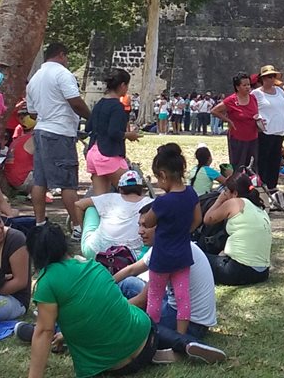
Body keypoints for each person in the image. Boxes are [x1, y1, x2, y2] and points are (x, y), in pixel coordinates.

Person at [26, 223, 224, 378]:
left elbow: (44, 331)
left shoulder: (47, 282)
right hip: (147, 341)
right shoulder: (94, 267)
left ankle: (29, 331)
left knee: (50, 328)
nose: (141, 231)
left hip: (116, 365)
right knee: (122, 306)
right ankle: (181, 343)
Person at [114, 206, 219, 340]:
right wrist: (106, 283)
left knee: (135, 318)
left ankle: (181, 340)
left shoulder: (168, 253)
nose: (140, 231)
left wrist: (111, 310)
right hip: (185, 313)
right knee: (127, 283)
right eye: (139, 225)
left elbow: (142, 300)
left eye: (146, 226)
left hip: (192, 324)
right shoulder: (170, 243)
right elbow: (132, 269)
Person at [25, 43, 91, 236]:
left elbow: (32, 111)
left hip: (41, 131)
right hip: (60, 132)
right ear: (61, 55)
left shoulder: (34, 79)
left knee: (40, 180)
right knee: (68, 181)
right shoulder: (62, 74)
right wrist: (91, 117)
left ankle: (39, 223)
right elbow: (75, 101)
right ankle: (78, 227)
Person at [141, 144, 201, 335]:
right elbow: (197, 219)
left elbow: (149, 222)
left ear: (164, 175)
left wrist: (146, 216)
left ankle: (153, 334)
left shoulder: (163, 201)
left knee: (155, 298)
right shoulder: (191, 193)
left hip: (161, 259)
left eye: (158, 179)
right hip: (183, 256)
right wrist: (184, 231)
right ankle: (181, 336)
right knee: (183, 297)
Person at [202, 172, 273, 285]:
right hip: (262, 272)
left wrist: (219, 200)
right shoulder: (260, 209)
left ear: (234, 193)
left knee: (197, 257)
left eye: (226, 191)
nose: (224, 194)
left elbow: (207, 219)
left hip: (239, 271)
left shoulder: (234, 203)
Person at [76, 169, 153, 260]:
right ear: (141, 189)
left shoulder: (109, 197)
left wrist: (82, 227)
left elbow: (78, 205)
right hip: (134, 256)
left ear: (120, 189)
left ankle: (84, 235)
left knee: (91, 208)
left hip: (96, 252)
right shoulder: (151, 203)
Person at [87, 68, 139, 195]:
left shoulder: (99, 104)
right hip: (109, 154)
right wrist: (130, 135)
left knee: (101, 200)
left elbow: (88, 127)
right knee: (131, 192)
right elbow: (114, 132)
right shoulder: (117, 106)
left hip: (94, 152)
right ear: (122, 85)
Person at [252, 65, 284, 191]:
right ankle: (262, 185)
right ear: (263, 79)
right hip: (265, 132)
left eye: (273, 76)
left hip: (279, 131)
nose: (271, 79)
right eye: (268, 77)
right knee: (263, 160)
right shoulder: (257, 93)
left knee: (275, 160)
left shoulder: (280, 91)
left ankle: (272, 185)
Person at [211, 73, 259, 171]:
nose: (247, 87)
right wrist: (228, 120)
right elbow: (214, 111)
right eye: (244, 85)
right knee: (238, 165)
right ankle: (237, 184)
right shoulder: (231, 100)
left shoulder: (253, 98)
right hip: (237, 138)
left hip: (253, 137)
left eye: (249, 85)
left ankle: (251, 183)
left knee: (252, 165)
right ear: (237, 87)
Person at [4, 103, 36, 196]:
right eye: (20, 116)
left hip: (14, 181)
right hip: (24, 182)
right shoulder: (33, 138)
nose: (22, 119)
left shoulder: (19, 138)